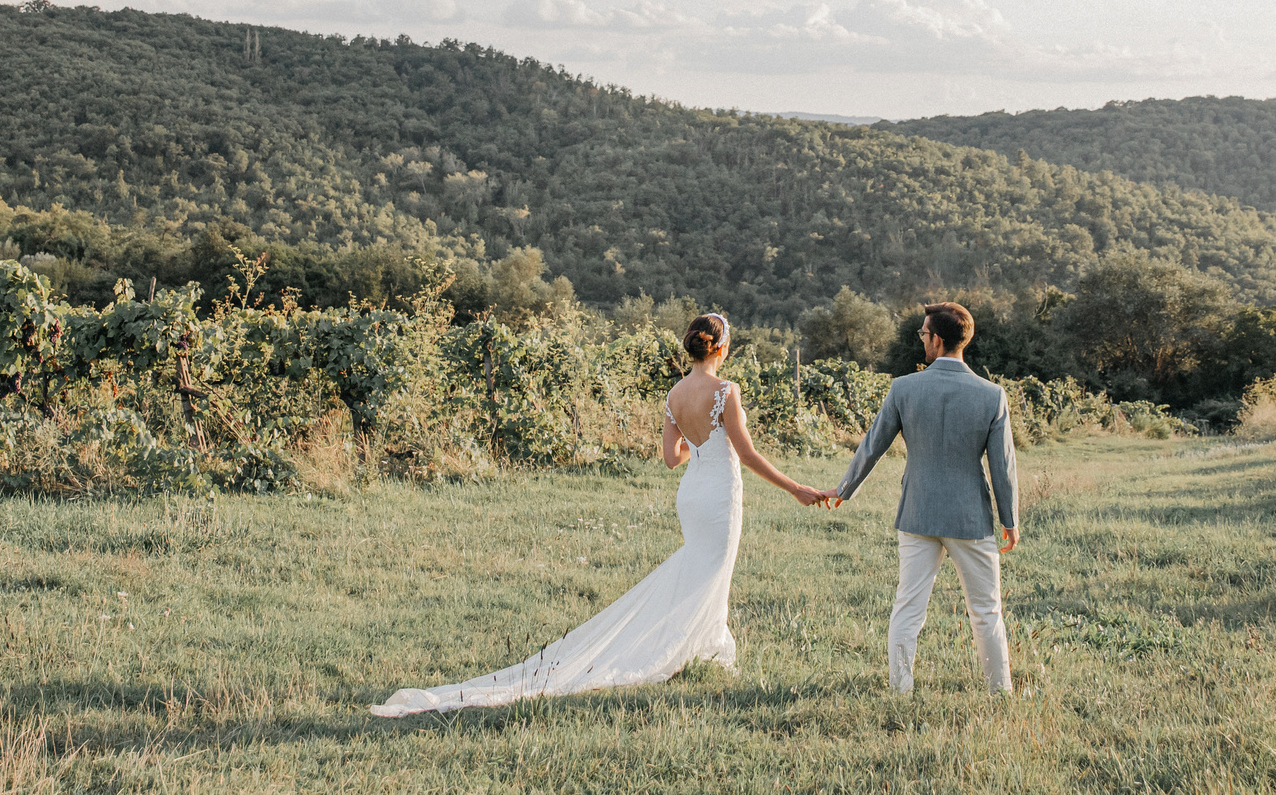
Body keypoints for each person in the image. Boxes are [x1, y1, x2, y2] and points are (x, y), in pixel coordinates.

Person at [370, 312, 832, 717]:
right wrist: (796, 488)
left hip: (692, 495)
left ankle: (707, 647)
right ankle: (697, 650)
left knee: (702, 570)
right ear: (723, 347)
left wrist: (702, 450)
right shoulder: (725, 391)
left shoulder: (674, 395)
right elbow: (747, 454)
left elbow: (672, 458)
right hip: (719, 497)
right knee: (713, 570)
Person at [828, 301, 1018, 694]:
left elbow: (872, 446)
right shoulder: (992, 394)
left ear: (937, 339)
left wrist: (844, 490)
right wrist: (1009, 520)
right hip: (971, 518)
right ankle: (1000, 693)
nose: (922, 340)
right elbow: (1003, 466)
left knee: (908, 607)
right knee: (986, 610)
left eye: (923, 334)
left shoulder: (904, 388)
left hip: (917, 513)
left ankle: (901, 689)